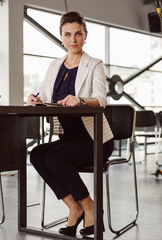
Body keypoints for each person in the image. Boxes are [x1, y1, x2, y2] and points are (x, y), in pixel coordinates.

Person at [26, 11, 114, 237]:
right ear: (61, 36)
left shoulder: (95, 65)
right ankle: (74, 207)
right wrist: (35, 99)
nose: (73, 39)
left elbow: (101, 100)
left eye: (78, 34)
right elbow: (44, 94)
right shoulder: (55, 65)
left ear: (86, 36)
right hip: (70, 139)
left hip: (95, 139)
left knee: (55, 157)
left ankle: (90, 206)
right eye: (67, 34)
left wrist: (81, 100)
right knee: (36, 154)